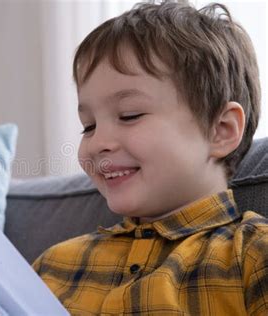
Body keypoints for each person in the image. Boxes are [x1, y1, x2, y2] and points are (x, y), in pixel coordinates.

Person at [32, 1, 268, 314]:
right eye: (88, 126)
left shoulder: (253, 255)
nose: (97, 142)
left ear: (221, 130)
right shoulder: (53, 266)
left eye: (130, 115)